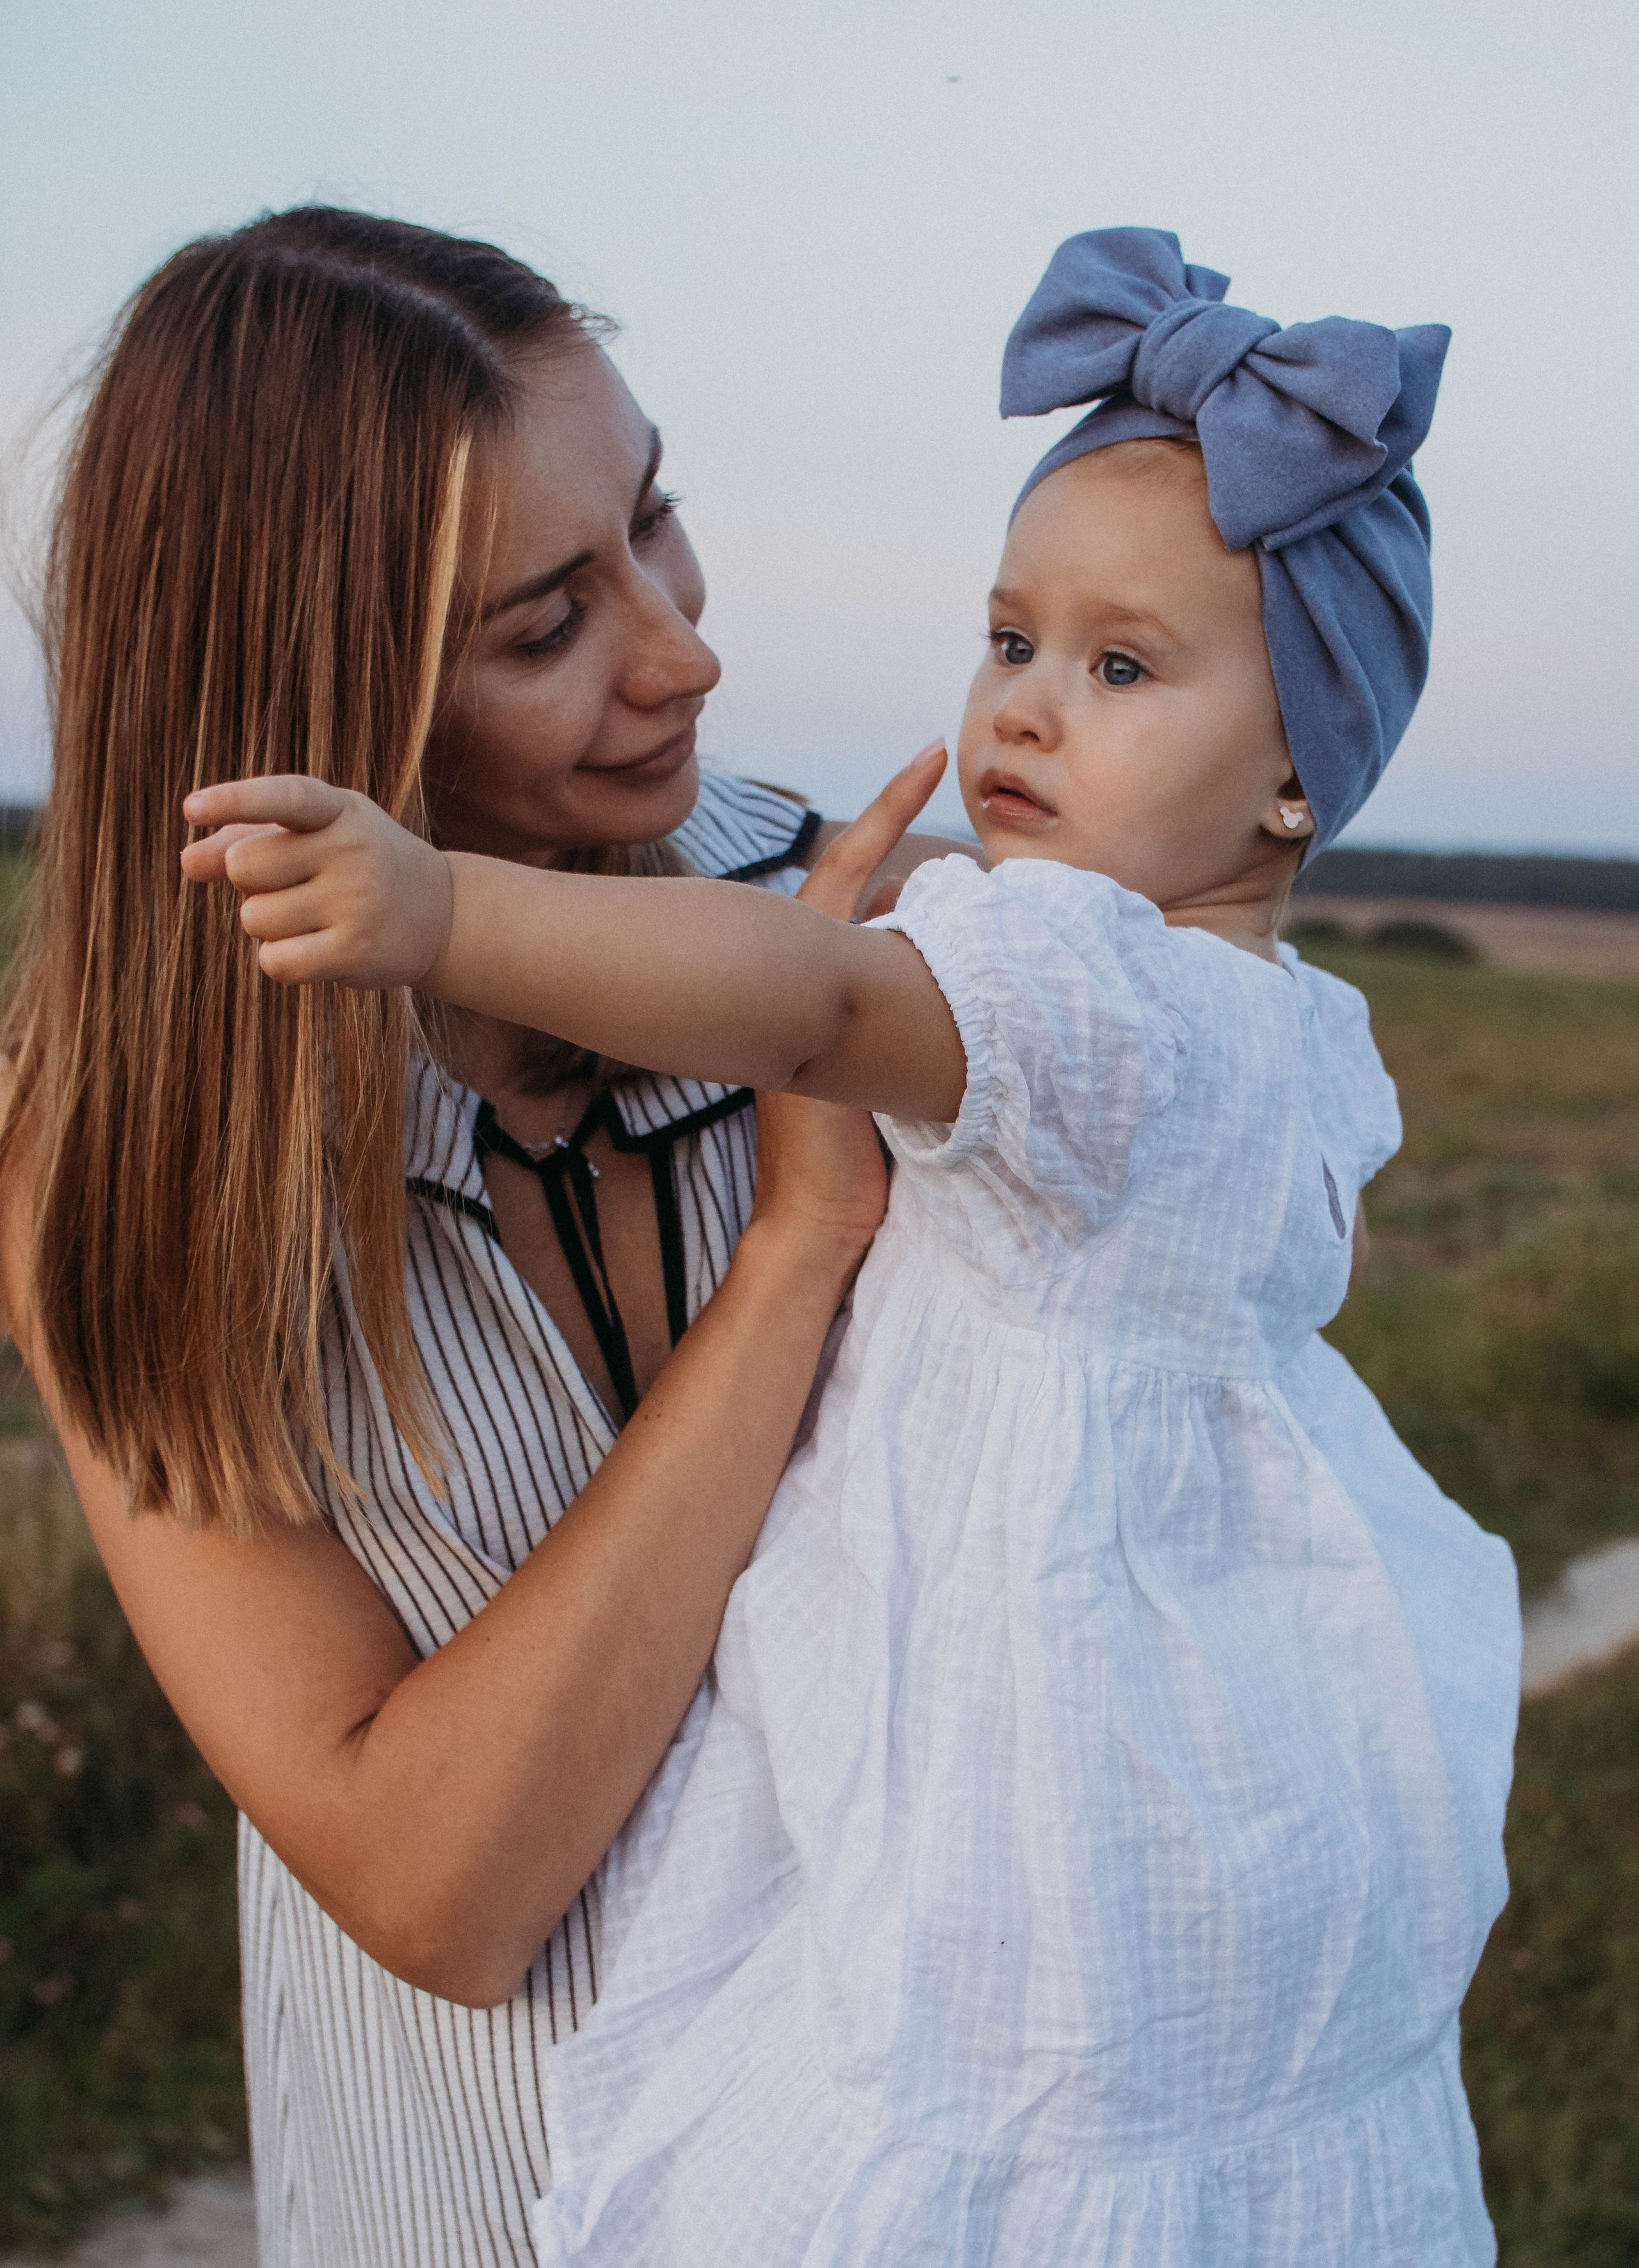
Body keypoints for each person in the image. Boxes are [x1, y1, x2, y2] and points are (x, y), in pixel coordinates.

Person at [193, 230, 1522, 2266]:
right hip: (453, 2169)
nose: (691, 659)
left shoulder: (1042, 973)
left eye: (1123, 669)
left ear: (1292, 787)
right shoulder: (1260, 1021)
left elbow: (808, 1006)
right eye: (1011, 642)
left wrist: (440, 908)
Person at [0, 206, 961, 2268]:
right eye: (548, 627)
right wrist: (798, 1250)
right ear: (325, 706)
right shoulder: (109, 1161)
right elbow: (438, 1882)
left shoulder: (885, 953)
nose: (686, 650)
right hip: (470, 2208)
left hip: (952, 2192)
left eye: (656, 518)